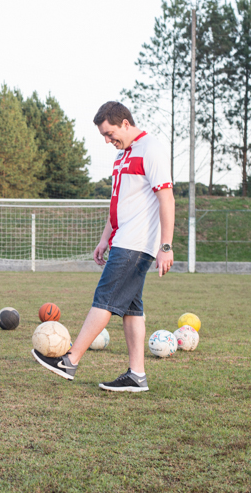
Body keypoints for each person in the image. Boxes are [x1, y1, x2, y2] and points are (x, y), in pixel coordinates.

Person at [32, 101, 175, 392]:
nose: (108, 140)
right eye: (104, 136)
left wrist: (166, 245)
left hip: (136, 243)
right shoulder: (122, 155)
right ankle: (137, 375)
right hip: (122, 239)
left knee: (104, 299)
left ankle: (70, 360)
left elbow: (167, 199)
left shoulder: (151, 149)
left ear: (125, 123)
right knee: (132, 309)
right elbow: (118, 201)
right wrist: (104, 238)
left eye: (110, 134)